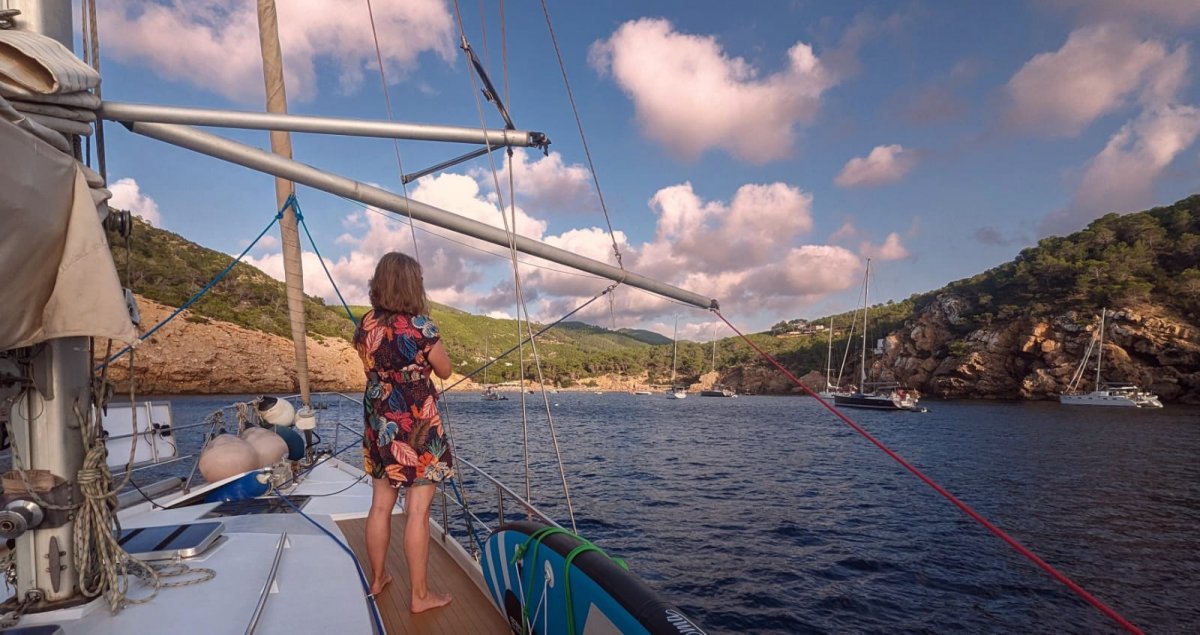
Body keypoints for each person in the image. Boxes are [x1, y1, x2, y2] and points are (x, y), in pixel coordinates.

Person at [353, 252, 454, 614]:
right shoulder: (421, 327)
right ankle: (419, 596)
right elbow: (445, 370)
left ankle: (378, 578)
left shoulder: (365, 325)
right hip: (418, 426)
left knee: (380, 504)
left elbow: (372, 365)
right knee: (417, 512)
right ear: (413, 285)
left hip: (379, 422)